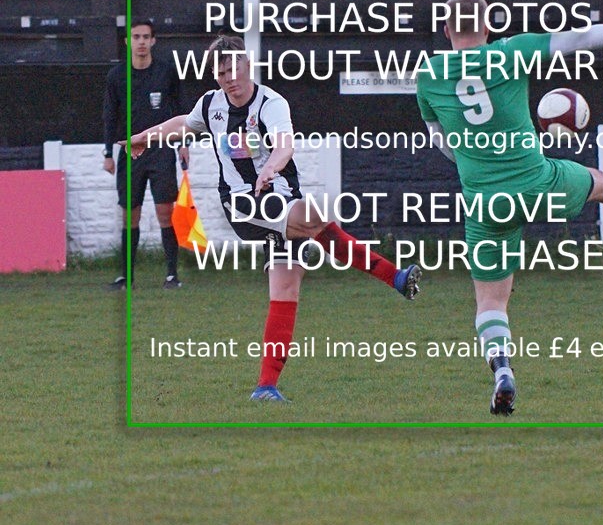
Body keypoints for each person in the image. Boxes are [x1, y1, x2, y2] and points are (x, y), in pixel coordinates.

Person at [123, 35, 421, 403]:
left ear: (247, 64)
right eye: (220, 73)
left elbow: (284, 144)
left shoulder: (271, 103)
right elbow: (184, 124)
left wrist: (270, 171)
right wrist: (141, 137)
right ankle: (392, 275)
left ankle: (266, 386)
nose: (228, 78)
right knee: (313, 217)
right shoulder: (211, 105)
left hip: (277, 197)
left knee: (285, 289)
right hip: (243, 204)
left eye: (233, 68)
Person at [415, 0, 603, 416]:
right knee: (602, 183)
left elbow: (442, 143)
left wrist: (477, 158)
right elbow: (578, 39)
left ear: (446, 30)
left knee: (491, 302)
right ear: (489, 27)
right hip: (537, 183)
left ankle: (501, 369)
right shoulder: (510, 52)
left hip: (484, 201)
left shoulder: (428, 76)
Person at [102, 19, 189, 290]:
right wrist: (108, 152)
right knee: (130, 213)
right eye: (136, 36)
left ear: (153, 41)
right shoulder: (116, 76)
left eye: (146, 37)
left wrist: (184, 142)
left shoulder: (166, 72)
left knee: (166, 210)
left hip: (161, 149)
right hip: (130, 151)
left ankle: (172, 275)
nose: (141, 41)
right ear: (128, 41)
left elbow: (179, 110)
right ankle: (127, 277)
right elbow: (110, 116)